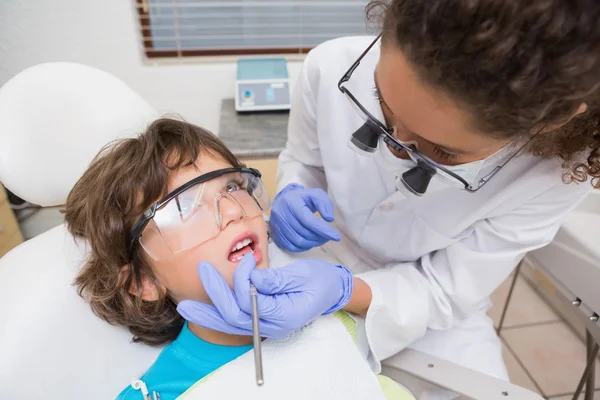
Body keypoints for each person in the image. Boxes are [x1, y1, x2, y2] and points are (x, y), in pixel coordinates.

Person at [179, 1, 600, 398]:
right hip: (312, 257)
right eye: (382, 106)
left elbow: (448, 290)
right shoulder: (330, 67)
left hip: (431, 313)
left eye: (442, 152)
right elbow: (304, 160)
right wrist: (292, 189)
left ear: (547, 125)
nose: (395, 149)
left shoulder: (552, 175)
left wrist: (344, 291)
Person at [64, 118, 408, 400]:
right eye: (185, 206)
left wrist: (345, 290)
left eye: (232, 187)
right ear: (144, 282)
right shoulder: (158, 394)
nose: (232, 210)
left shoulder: (326, 313)